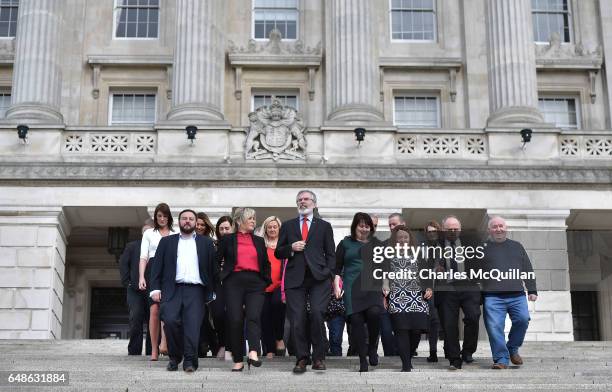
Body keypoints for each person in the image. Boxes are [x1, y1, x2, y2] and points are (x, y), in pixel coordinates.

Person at [275, 190, 336, 373]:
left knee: (317, 314)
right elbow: (279, 252)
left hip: (319, 278)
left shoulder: (324, 226)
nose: (302, 202)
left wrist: (328, 273)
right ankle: (302, 358)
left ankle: (318, 357)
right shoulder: (287, 225)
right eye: (299, 200)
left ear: (314, 204)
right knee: (297, 318)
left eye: (306, 199)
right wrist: (290, 248)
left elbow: (331, 254)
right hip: (295, 279)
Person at [149, 209, 217, 373]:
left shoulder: (206, 243)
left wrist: (212, 291)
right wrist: (155, 289)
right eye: (184, 218)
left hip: (196, 291)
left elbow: (212, 269)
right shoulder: (167, 242)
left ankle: (189, 361)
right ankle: (175, 356)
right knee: (170, 321)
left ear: (195, 222)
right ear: (179, 222)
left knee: (192, 327)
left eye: (191, 219)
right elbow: (157, 267)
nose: (187, 221)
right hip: (172, 289)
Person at [216, 208, 271, 371]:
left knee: (253, 316)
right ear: (240, 221)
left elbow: (266, 264)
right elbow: (215, 261)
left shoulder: (259, 241)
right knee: (235, 319)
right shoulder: (227, 240)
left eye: (254, 218)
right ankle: (238, 359)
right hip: (233, 282)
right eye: (250, 218)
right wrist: (221, 277)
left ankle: (253, 351)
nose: (254, 221)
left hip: (255, 283)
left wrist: (264, 281)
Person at [482, 216, 537, 369]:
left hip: (517, 294)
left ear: (506, 228)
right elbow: (474, 272)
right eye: (495, 227)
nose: (498, 229)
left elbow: (527, 268)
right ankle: (501, 359)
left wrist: (532, 289)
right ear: (489, 230)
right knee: (494, 328)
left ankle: (512, 348)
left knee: (523, 320)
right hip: (492, 296)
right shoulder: (482, 248)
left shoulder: (517, 246)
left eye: (501, 226)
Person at [334, 212, 384, 372]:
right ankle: (363, 359)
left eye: (367, 226)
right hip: (351, 287)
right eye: (361, 225)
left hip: (372, 285)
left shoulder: (378, 244)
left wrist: (386, 284)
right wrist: (336, 285)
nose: (364, 229)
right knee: (356, 321)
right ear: (355, 226)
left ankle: (372, 349)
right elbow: (336, 267)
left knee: (375, 314)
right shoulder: (345, 243)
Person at [383, 225, 433, 372]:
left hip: (417, 296)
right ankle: (406, 364)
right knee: (401, 330)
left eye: (405, 237)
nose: (403, 240)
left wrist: (429, 288)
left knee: (416, 330)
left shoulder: (418, 254)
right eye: (400, 238)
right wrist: (385, 288)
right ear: (395, 240)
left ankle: (409, 356)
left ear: (410, 239)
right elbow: (385, 274)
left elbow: (426, 274)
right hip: (397, 296)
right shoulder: (388, 255)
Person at [436, 215, 481, 370]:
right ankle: (454, 358)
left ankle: (467, 351)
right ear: (443, 230)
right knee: (449, 324)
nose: (453, 232)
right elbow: (426, 264)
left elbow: (482, 262)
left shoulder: (472, 243)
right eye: (450, 229)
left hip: (469, 286)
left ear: (460, 229)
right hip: (447, 288)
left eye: (456, 229)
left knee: (473, 317)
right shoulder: (436, 244)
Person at [138, 202, 175, 361]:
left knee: (167, 309)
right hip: (153, 271)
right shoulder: (149, 234)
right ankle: (154, 349)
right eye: (159, 216)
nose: (162, 219)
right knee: (154, 310)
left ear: (169, 217)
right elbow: (143, 257)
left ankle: (164, 343)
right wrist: (141, 277)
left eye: (165, 216)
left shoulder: (176, 233)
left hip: (170, 271)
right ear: (155, 217)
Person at [119, 220, 154, 356]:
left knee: (153, 320)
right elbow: (123, 264)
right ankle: (134, 351)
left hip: (153, 290)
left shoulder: (157, 247)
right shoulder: (132, 246)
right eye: (144, 231)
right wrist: (127, 282)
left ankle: (152, 351)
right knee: (136, 317)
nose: (146, 234)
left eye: (149, 231)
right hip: (135, 290)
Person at [260, 216, 287, 358]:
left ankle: (279, 338)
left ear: (279, 229)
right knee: (265, 317)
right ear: (265, 229)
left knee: (278, 306)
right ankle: (269, 349)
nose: (272, 229)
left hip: (279, 285)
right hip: (263, 286)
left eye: (274, 227)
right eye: (269, 227)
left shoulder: (284, 246)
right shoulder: (261, 245)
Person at [209, 215, 234, 360]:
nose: (224, 231)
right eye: (221, 229)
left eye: (227, 228)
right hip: (217, 284)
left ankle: (230, 347)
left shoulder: (238, 244)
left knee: (233, 316)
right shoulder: (213, 245)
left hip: (235, 284)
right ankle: (222, 344)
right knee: (218, 314)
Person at [195, 211, 218, 358]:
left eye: (202, 224)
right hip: (191, 284)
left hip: (206, 285)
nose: (199, 226)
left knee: (205, 317)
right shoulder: (185, 240)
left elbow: (213, 267)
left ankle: (211, 345)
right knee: (197, 317)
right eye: (197, 224)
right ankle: (202, 346)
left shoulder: (211, 243)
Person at [422, 220, 443, 363]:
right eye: (429, 231)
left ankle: (448, 349)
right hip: (429, 289)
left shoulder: (445, 247)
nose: (432, 233)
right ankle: (433, 352)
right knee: (433, 321)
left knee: (447, 320)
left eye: (434, 230)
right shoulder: (422, 249)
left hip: (445, 288)